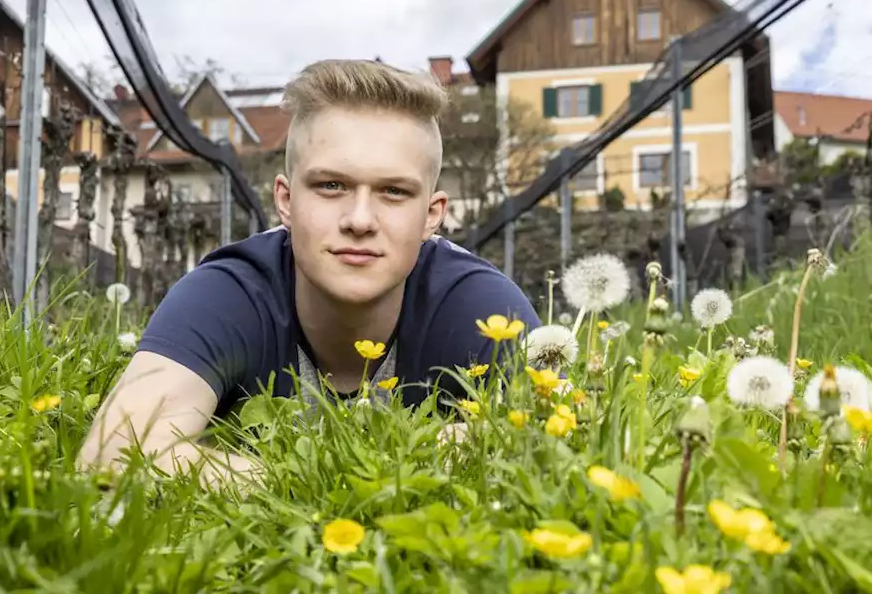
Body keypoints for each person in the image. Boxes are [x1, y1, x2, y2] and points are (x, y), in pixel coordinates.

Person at [77, 59, 540, 487]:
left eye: (394, 192)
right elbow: (114, 452)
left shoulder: (481, 308)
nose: (360, 219)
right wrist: (327, 482)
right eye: (331, 185)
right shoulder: (230, 292)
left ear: (432, 215)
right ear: (285, 200)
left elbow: (557, 444)